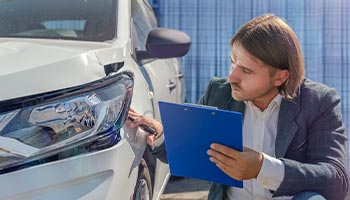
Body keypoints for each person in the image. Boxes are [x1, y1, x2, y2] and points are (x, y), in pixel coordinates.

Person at [126, 13, 349, 200]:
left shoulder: (318, 101)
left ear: (280, 77)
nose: (232, 77)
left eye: (247, 70)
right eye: (233, 63)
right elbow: (190, 153)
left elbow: (336, 181)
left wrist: (263, 168)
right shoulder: (220, 93)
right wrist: (162, 133)